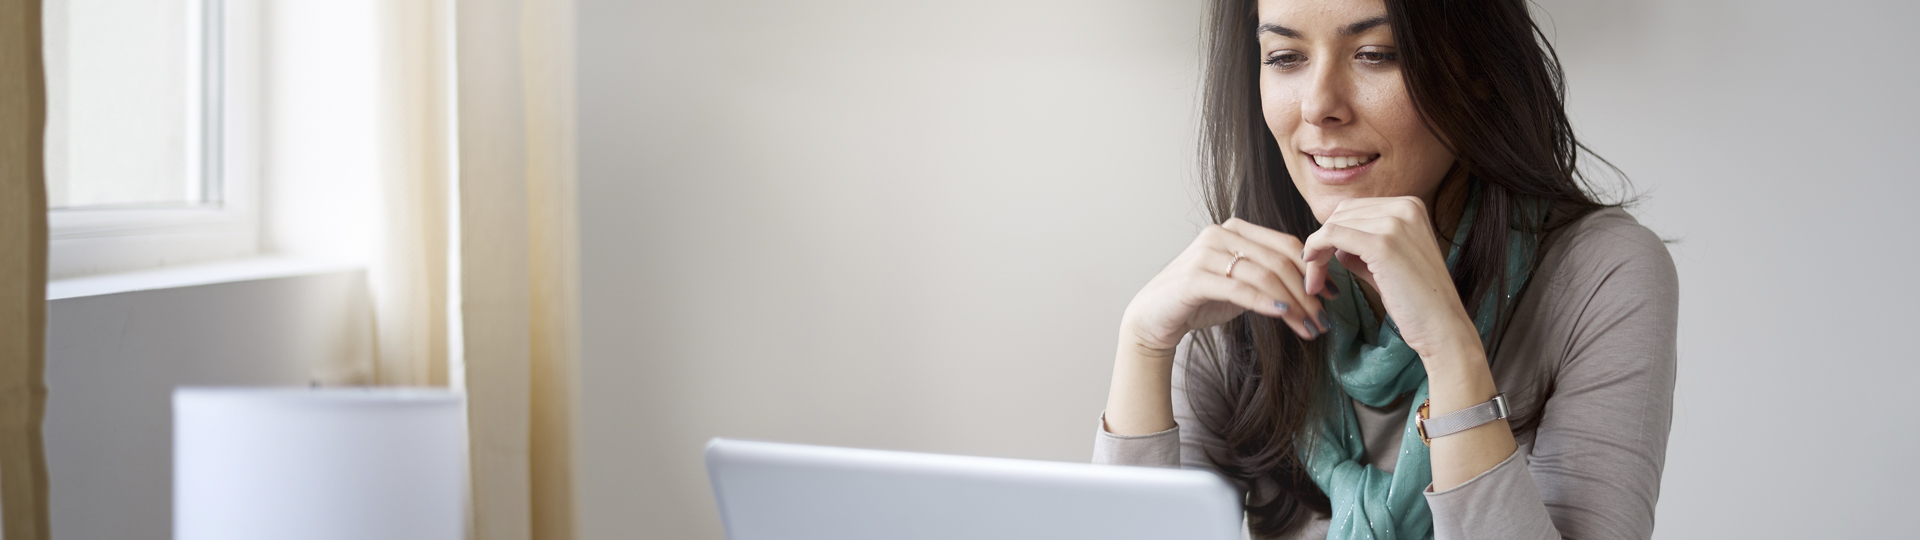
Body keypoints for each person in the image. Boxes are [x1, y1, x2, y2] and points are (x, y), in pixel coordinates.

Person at [1092, 0, 1678, 539]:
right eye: (1285, 57)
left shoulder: (1601, 274)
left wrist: (1451, 352)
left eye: (1376, 54)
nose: (1319, 106)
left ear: (1478, 67)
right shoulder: (1242, 284)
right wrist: (1143, 345)